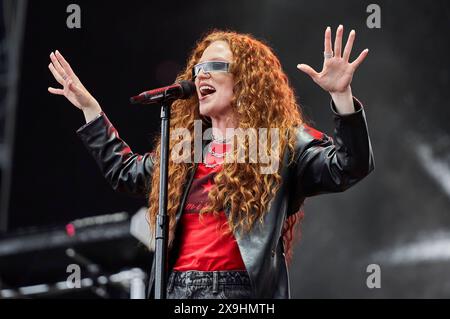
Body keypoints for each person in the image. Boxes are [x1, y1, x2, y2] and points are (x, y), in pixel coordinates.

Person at [48, 26, 374, 299]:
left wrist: (341, 97)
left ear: (245, 80)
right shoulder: (187, 152)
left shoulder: (282, 145)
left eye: (215, 65)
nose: (201, 73)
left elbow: (349, 165)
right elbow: (125, 171)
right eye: (198, 68)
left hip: (237, 293)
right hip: (176, 289)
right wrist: (91, 110)